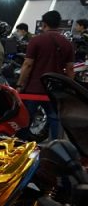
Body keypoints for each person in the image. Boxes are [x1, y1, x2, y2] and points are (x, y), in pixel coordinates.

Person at [17, 10, 75, 140]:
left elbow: (27, 64)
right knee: (54, 118)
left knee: (26, 118)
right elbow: (70, 68)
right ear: (58, 24)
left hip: (33, 88)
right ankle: (55, 145)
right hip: (55, 89)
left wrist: (20, 84)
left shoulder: (36, 40)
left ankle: (21, 145)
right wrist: (68, 87)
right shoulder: (67, 43)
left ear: (44, 24)